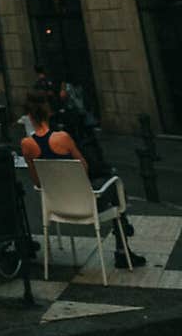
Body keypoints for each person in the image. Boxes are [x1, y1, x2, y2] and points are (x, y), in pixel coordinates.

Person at [20, 92, 145, 268]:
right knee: (115, 185)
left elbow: (38, 182)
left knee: (110, 185)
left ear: (29, 116)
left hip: (56, 207)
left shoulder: (27, 145)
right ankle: (123, 244)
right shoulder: (63, 138)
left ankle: (123, 235)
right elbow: (83, 168)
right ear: (48, 113)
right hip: (86, 205)